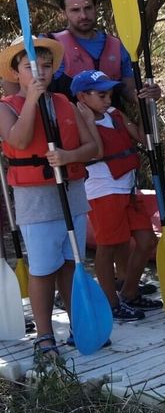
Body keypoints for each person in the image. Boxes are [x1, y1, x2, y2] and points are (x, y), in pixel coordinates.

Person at [0, 38, 103, 361]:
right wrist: (31, 100)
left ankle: (78, 325)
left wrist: (68, 156)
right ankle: (45, 336)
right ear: (16, 73)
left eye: (46, 66)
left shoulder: (63, 102)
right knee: (43, 269)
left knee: (72, 264)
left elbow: (93, 148)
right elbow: (18, 140)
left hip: (72, 194)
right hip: (36, 200)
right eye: (31, 67)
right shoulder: (6, 107)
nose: (40, 73)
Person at [74, 70, 162, 320]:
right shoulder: (78, 121)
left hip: (128, 188)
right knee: (107, 247)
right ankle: (111, 304)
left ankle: (130, 293)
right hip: (103, 191)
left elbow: (143, 138)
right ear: (82, 97)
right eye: (101, 95)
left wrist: (147, 106)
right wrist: (89, 121)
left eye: (110, 94)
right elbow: (96, 152)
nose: (108, 99)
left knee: (147, 241)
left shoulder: (114, 113)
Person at [50, 0, 162, 117]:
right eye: (75, 10)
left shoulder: (116, 45)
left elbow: (129, 89)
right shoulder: (52, 44)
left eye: (88, 8)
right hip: (71, 123)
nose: (83, 15)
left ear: (95, 8)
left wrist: (144, 94)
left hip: (112, 124)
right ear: (64, 13)